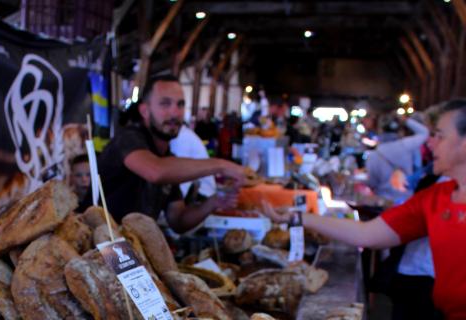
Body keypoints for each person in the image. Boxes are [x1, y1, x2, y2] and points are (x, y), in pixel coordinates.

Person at [259, 99, 466, 320]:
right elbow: (367, 234)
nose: (430, 143)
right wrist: (298, 217)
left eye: (439, 136)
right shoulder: (435, 198)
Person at [93, 74, 247, 233]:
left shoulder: (167, 160)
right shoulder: (128, 139)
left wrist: (214, 202)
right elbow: (155, 171)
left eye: (180, 105)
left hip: (130, 251)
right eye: (165, 104)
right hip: (100, 247)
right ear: (145, 110)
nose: (174, 113)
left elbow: (178, 220)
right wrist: (220, 165)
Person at [365, 116, 429, 203]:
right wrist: (406, 120)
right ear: (399, 131)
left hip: (383, 201)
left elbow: (372, 182)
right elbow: (424, 132)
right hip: (406, 200)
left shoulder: (374, 155)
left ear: (380, 131)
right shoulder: (406, 145)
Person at [170, 124, 217, 200]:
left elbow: (181, 187)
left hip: (202, 197)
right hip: (197, 194)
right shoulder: (182, 134)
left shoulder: (181, 137)